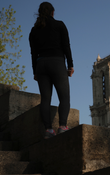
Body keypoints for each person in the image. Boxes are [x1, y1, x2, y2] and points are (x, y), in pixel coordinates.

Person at [29, 2, 74, 139]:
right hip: (57, 63)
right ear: (52, 12)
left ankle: (48, 130)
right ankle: (62, 126)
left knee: (45, 99)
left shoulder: (34, 30)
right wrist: (70, 65)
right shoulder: (59, 25)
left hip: (41, 64)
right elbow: (66, 46)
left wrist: (35, 71)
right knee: (64, 97)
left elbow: (33, 53)